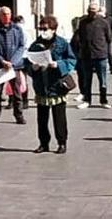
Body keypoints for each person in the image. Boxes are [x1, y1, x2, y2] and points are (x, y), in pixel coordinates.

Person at [23, 15, 77, 154]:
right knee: (42, 118)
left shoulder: (62, 43)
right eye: (40, 28)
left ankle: (62, 142)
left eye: (45, 28)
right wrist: (32, 68)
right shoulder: (35, 45)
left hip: (57, 85)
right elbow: (27, 62)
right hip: (41, 86)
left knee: (59, 117)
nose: (42, 31)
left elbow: (71, 60)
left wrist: (58, 64)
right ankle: (43, 143)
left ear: (53, 29)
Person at [0, 7, 27, 124]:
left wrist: (12, 62)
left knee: (17, 92)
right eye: (4, 14)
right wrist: (2, 61)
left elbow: (21, 46)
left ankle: (19, 115)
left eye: (8, 14)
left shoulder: (17, 29)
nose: (6, 16)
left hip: (14, 66)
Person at [76, 2, 112, 109]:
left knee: (103, 80)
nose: (92, 13)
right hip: (86, 55)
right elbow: (80, 36)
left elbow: (108, 38)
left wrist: (102, 47)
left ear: (98, 12)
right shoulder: (83, 22)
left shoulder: (104, 23)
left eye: (94, 11)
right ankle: (87, 100)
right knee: (87, 80)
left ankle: (103, 100)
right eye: (90, 11)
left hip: (100, 55)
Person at [99, 7, 112, 75]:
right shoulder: (98, 19)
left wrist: (111, 35)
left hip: (107, 38)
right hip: (100, 39)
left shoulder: (110, 19)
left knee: (109, 53)